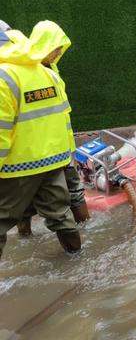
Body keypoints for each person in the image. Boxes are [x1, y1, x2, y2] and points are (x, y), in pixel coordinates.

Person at [0, 21, 81, 256]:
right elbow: (63, 118)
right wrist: (68, 156)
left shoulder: (3, 77)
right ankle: (77, 262)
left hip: (17, 167)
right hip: (53, 162)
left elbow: (1, 131)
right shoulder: (48, 73)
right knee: (60, 216)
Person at [16, 21, 89, 236]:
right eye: (56, 48)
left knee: (30, 199)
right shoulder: (35, 75)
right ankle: (84, 234)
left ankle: (26, 238)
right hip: (47, 150)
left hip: (55, 147)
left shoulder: (47, 71)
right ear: (45, 45)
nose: (59, 52)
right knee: (70, 192)